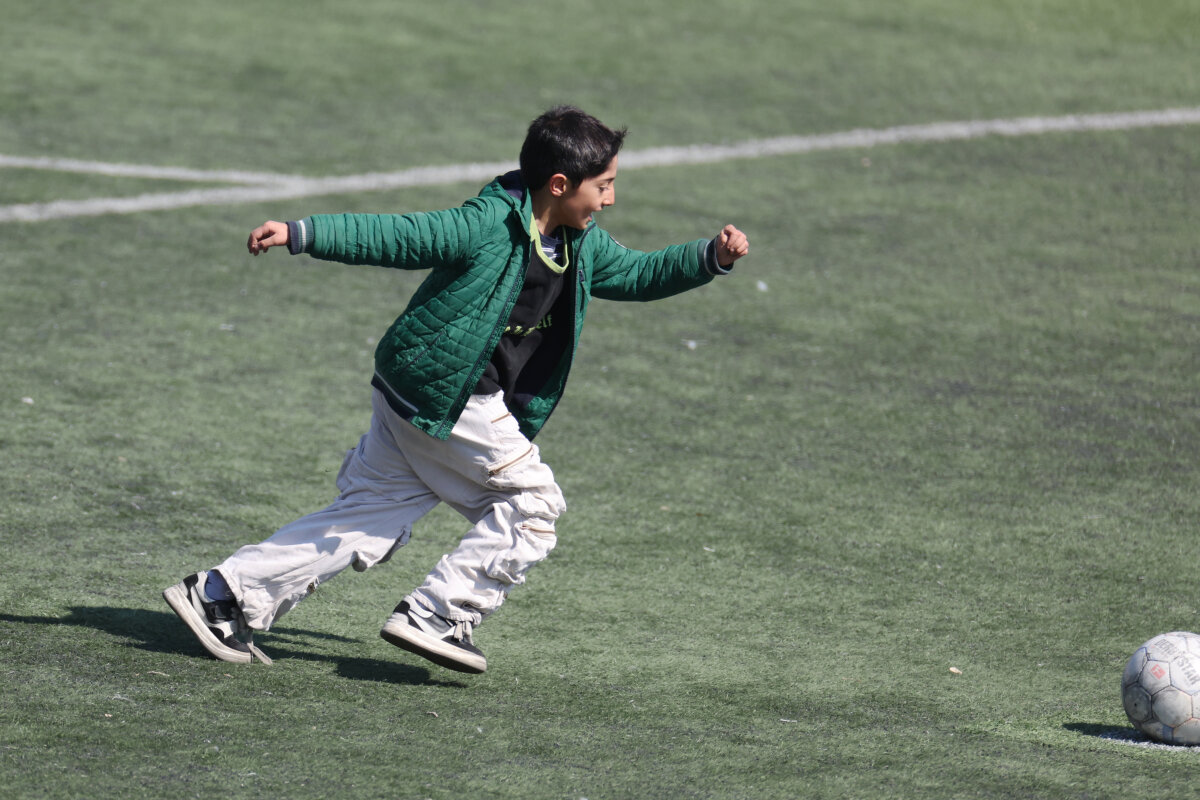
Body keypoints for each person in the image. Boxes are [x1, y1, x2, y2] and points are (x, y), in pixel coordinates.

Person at [163, 105, 750, 673]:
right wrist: (301, 233)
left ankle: (222, 594)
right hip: (449, 397)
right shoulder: (487, 224)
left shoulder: (579, 242)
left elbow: (638, 273)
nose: (611, 198)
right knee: (533, 507)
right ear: (559, 185)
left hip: (411, 395)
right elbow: (399, 236)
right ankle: (437, 615)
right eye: (604, 186)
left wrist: (710, 258)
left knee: (369, 518)